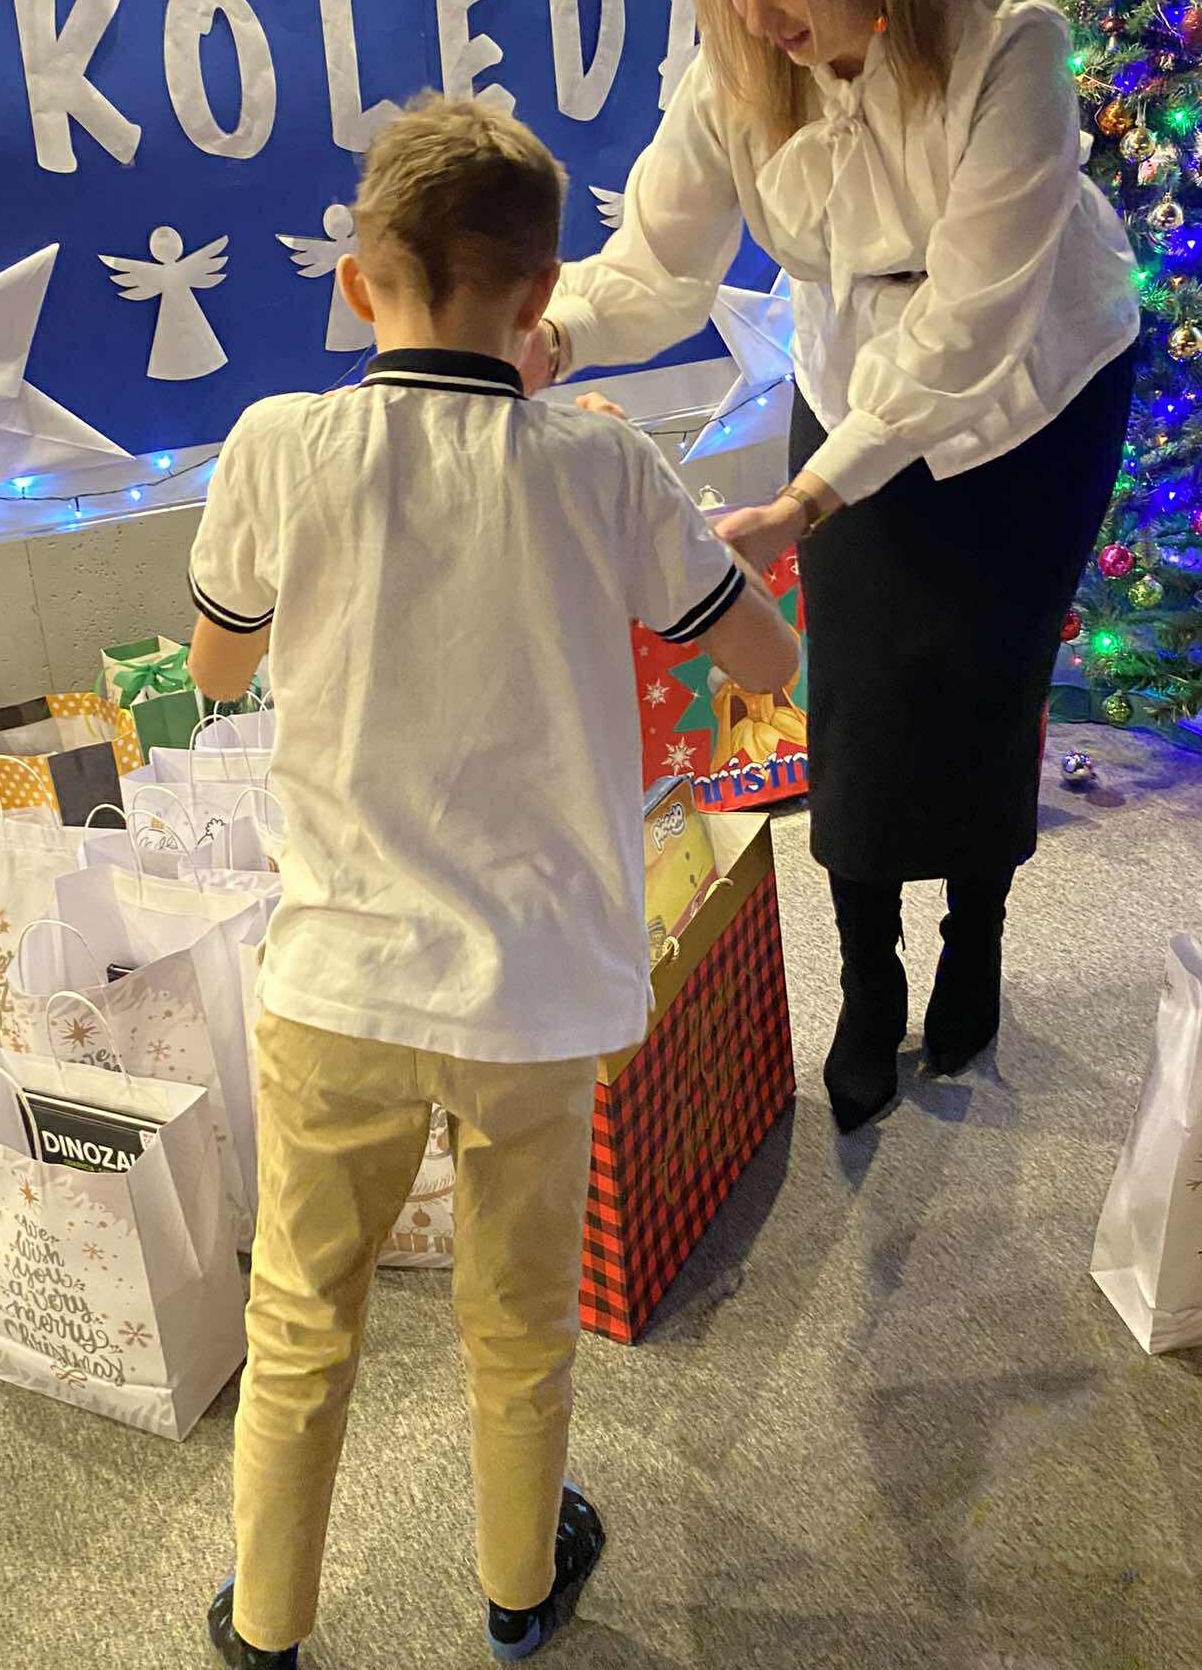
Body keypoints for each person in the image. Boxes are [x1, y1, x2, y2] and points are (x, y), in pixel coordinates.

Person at [187, 96, 799, 1668]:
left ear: (357, 281)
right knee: (519, 1321)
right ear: (543, 302)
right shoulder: (603, 464)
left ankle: (267, 1626)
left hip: (336, 984)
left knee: (300, 1319)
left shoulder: (277, 445)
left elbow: (216, 666)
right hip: (535, 992)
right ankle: (521, 1593)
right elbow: (763, 656)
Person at [522, 0, 1139, 1135]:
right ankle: (869, 978)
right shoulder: (738, 68)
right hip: (853, 370)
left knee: (986, 679)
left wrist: (805, 498)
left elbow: (972, 330)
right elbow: (659, 266)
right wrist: (550, 337)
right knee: (854, 693)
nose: (758, 19)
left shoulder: (1012, 49)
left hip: (1035, 388)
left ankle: (975, 935)